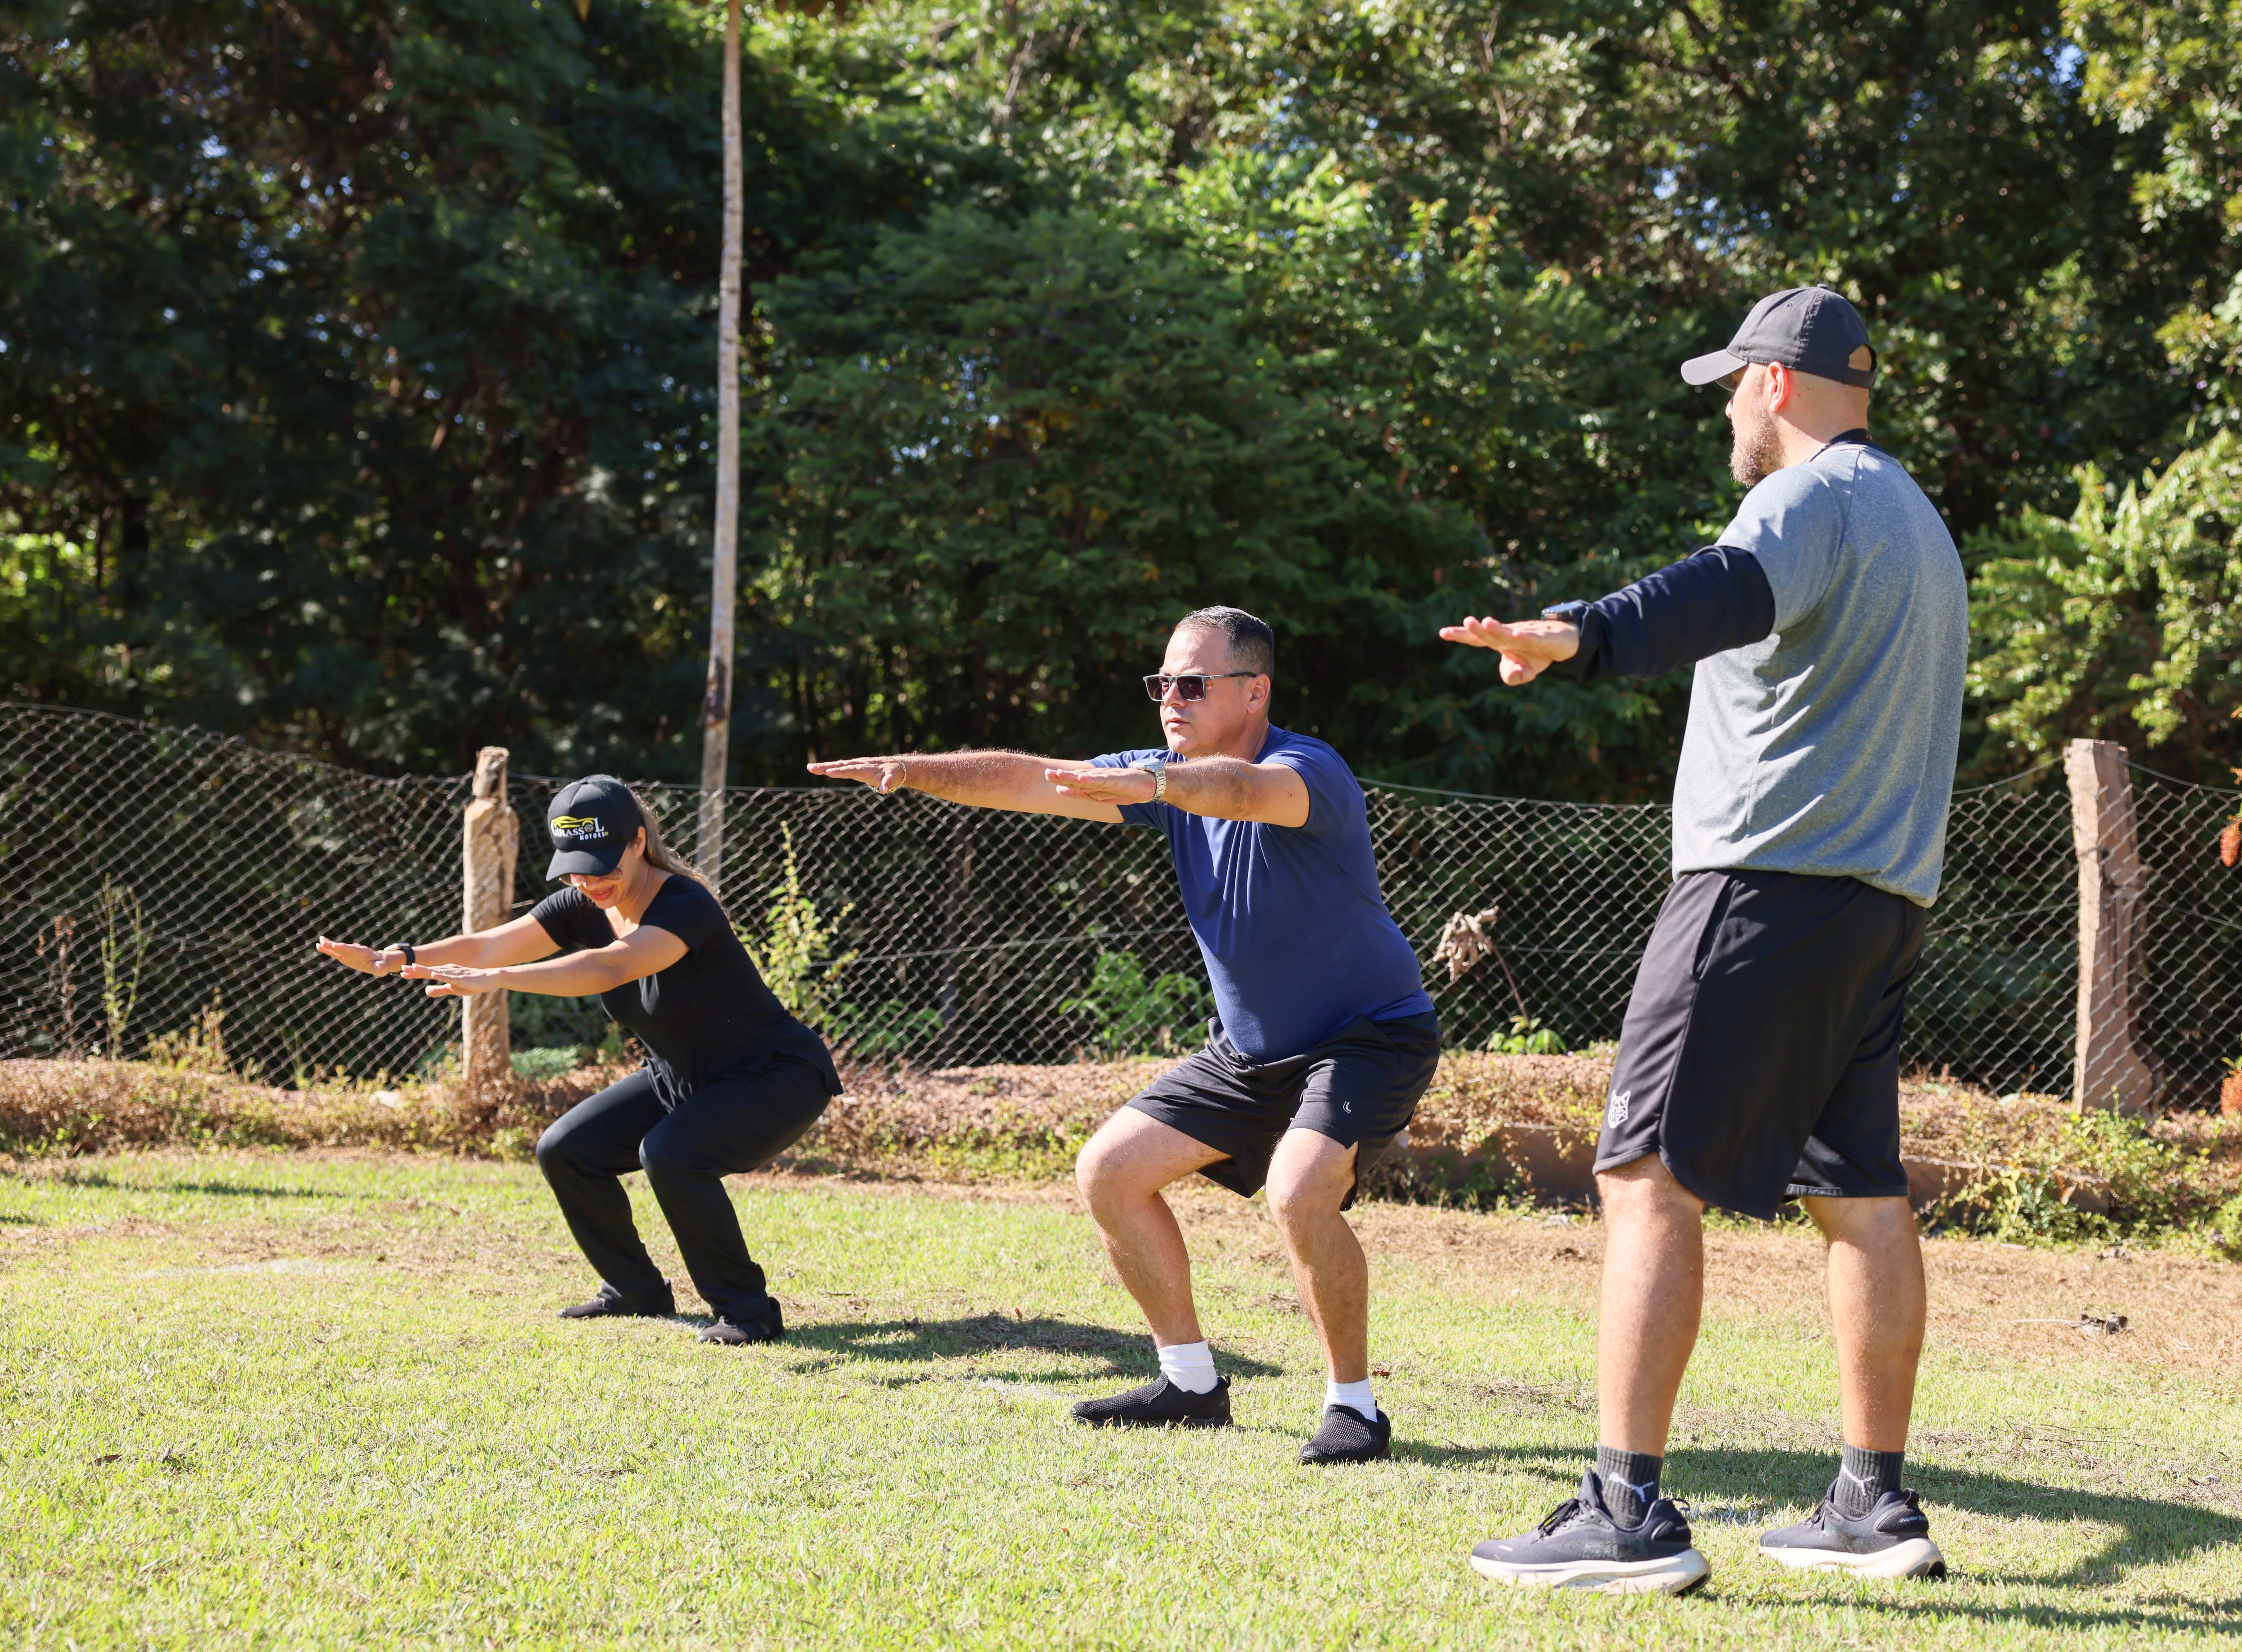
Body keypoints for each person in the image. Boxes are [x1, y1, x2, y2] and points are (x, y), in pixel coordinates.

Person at [1446, 287, 1967, 1593]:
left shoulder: (1807, 497)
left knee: (1644, 1175)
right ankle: (1873, 1503)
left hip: (1761, 887)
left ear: (1775, 383)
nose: (1729, 410)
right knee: (1859, 1194)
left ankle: (1626, 1511)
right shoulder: (1919, 522)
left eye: (1733, 385)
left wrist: (1580, 631)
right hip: (1880, 907)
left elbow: (1721, 590)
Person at [811, 606, 1436, 1464]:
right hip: (1250, 1051)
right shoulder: (1162, 776)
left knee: (1298, 1192)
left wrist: (1157, 785)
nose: (1171, 699)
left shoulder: (1307, 770)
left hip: (1367, 1036)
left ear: (1255, 693)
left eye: (1193, 684)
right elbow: (1031, 778)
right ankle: (1189, 1382)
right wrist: (915, 770)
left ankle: (1354, 1407)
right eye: (1162, 684)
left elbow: (1244, 793)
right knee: (1109, 1170)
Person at [315, 776, 841, 1346]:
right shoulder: (584, 903)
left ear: (638, 842)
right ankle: (635, 1291)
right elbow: (491, 944)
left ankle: (748, 1313)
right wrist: (396, 957)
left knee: (671, 1154)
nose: (589, 882)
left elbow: (610, 967)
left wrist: (498, 980)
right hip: (681, 1077)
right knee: (567, 1150)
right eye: (575, 870)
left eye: (602, 866)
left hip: (773, 1076)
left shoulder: (685, 905)